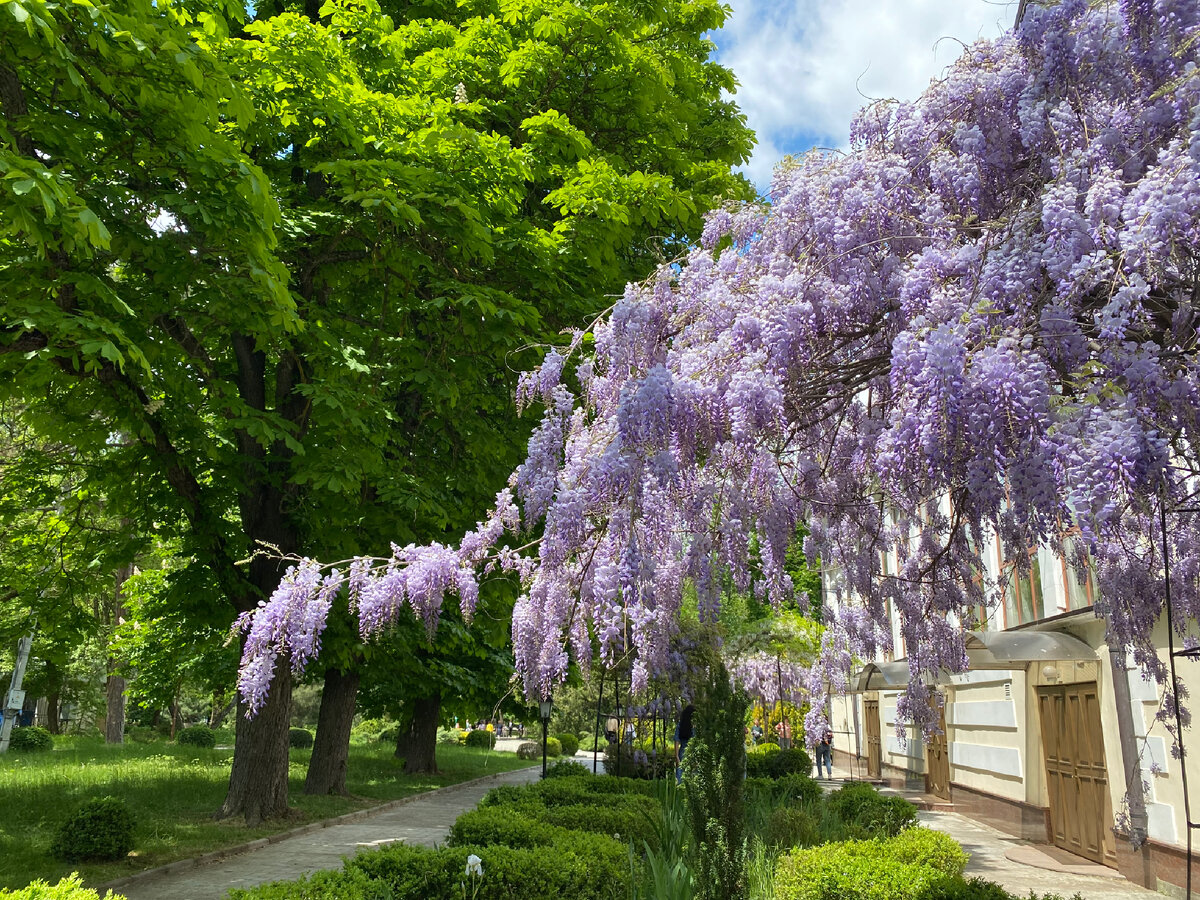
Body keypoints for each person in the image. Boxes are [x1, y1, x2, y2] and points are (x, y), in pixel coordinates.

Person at [674, 704, 695, 784]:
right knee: (692, 778)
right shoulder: (695, 727)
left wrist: (676, 756)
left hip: (682, 753)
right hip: (693, 753)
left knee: (680, 778)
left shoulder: (680, 725)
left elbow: (676, 740)